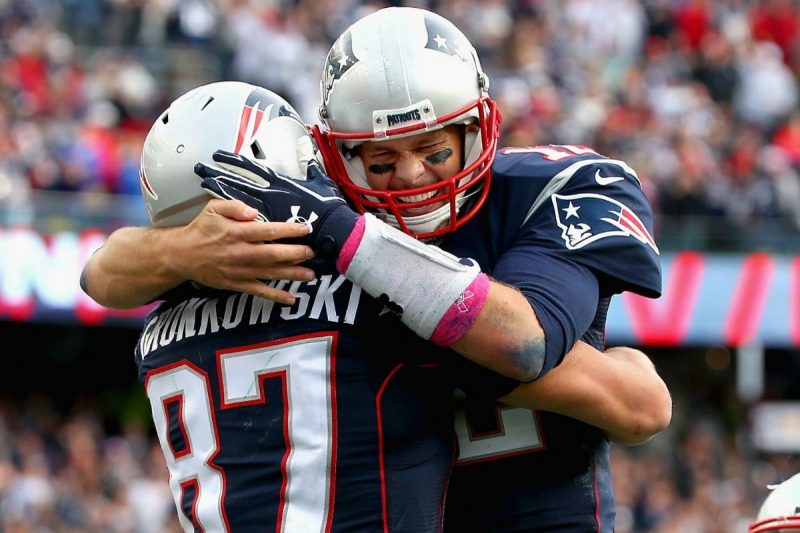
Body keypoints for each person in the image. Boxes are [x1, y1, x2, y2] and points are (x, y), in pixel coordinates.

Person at [80, 7, 670, 532]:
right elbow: (102, 273)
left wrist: (351, 243)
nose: (412, 176)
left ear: (476, 128)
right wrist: (184, 248)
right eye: (381, 158)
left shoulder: (545, 190)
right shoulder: (317, 235)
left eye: (435, 150)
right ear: (333, 155)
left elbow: (535, 345)